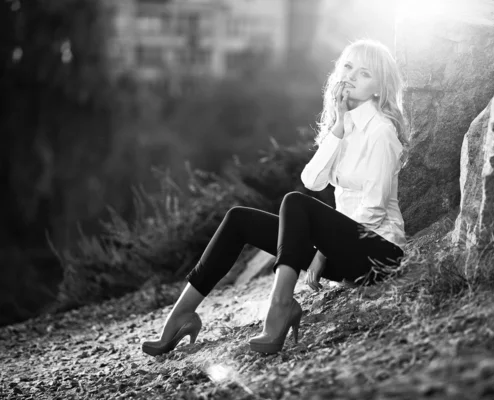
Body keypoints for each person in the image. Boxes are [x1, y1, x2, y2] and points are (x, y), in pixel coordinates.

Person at [141, 38, 410, 356]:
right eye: (348, 67)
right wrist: (337, 126)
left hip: (379, 254)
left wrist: (323, 253)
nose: (350, 76)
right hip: (346, 250)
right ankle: (182, 314)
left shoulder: (381, 132)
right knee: (239, 218)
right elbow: (312, 180)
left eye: (364, 73)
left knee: (294, 204)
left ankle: (281, 306)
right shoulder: (345, 125)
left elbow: (374, 209)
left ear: (379, 89)